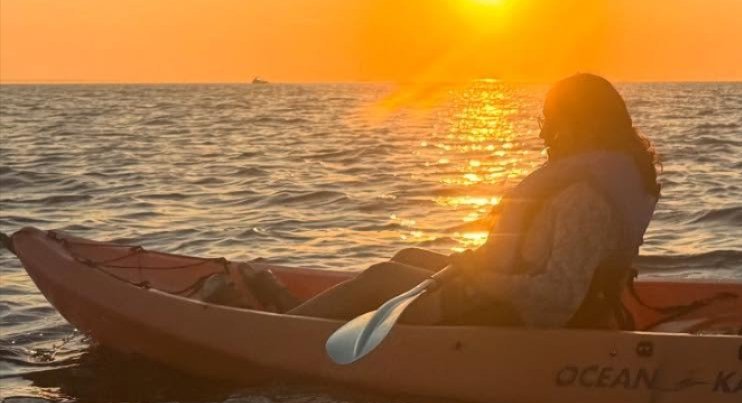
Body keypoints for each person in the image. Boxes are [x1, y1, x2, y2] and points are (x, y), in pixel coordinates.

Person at [216, 73, 660, 329]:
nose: (542, 131)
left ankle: (284, 332)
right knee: (409, 255)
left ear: (577, 125)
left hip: (522, 318)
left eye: (550, 120)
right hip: (519, 300)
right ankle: (306, 317)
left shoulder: (583, 197)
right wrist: (480, 265)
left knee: (381, 277)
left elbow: (556, 298)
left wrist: (483, 280)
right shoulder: (599, 176)